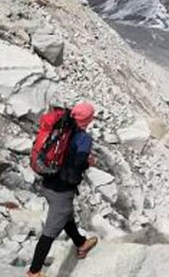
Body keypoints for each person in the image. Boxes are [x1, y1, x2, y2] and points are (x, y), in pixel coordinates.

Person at [27, 102, 99, 277]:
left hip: (48, 181)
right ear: (87, 120)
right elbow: (78, 164)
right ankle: (34, 271)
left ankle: (81, 243)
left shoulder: (61, 129)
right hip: (61, 189)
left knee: (66, 216)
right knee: (51, 231)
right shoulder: (83, 138)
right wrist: (88, 162)